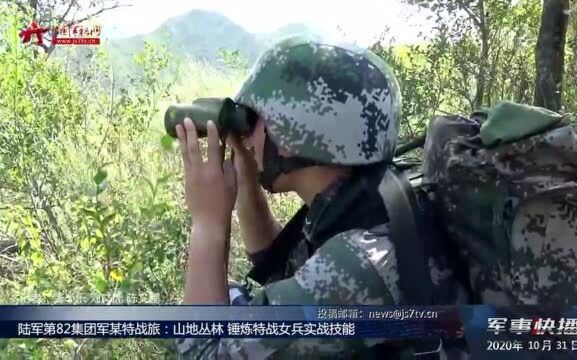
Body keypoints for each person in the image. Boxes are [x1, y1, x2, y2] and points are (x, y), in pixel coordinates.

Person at [175, 36, 461, 359]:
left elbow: (202, 350)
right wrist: (246, 172)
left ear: (290, 137)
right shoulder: (368, 200)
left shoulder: (359, 264)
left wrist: (207, 224)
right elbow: (278, 265)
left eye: (254, 121)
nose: (247, 134)